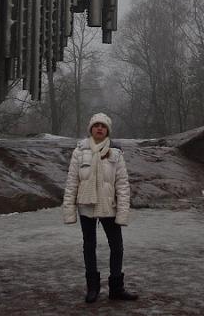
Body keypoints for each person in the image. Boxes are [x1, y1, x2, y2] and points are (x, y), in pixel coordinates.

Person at [62, 113, 138, 303]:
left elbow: (122, 185)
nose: (99, 128)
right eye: (96, 125)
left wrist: (122, 212)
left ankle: (116, 289)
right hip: (86, 206)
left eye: (103, 126)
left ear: (107, 130)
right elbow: (72, 182)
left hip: (108, 206)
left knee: (117, 247)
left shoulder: (116, 153)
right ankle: (92, 288)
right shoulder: (79, 151)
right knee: (89, 246)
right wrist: (69, 211)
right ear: (91, 129)